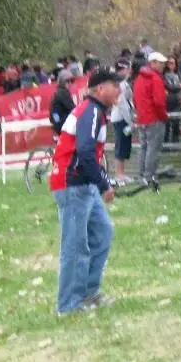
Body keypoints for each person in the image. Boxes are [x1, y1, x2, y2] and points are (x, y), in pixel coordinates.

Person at [49, 70, 121, 316]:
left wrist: (100, 182)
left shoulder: (97, 113)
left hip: (85, 184)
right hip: (73, 185)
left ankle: (89, 293)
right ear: (100, 89)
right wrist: (104, 184)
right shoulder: (90, 112)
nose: (119, 91)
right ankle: (68, 305)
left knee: (103, 232)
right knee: (75, 245)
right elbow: (85, 152)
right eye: (114, 85)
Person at [133, 50, 169, 181]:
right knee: (153, 148)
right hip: (154, 118)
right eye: (161, 63)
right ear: (153, 63)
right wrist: (164, 116)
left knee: (143, 147)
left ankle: (141, 174)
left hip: (142, 118)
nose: (163, 65)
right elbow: (159, 102)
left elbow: (135, 99)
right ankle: (150, 176)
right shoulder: (155, 79)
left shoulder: (139, 78)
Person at [110, 60, 134, 184]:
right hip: (121, 118)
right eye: (127, 69)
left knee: (124, 146)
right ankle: (119, 174)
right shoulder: (119, 84)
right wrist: (130, 120)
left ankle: (122, 173)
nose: (129, 71)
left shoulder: (123, 83)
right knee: (120, 146)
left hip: (123, 118)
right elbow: (122, 104)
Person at [163, 57, 181, 143]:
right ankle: (166, 144)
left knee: (176, 123)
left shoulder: (178, 74)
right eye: (170, 63)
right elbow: (168, 86)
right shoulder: (164, 75)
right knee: (167, 124)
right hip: (168, 101)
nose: (171, 65)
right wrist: (179, 87)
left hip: (177, 101)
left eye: (173, 63)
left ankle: (176, 143)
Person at [50, 70, 76, 136]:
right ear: (62, 82)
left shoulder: (60, 91)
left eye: (71, 81)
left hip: (58, 122)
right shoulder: (62, 93)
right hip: (62, 124)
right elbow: (73, 109)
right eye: (67, 81)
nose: (70, 83)